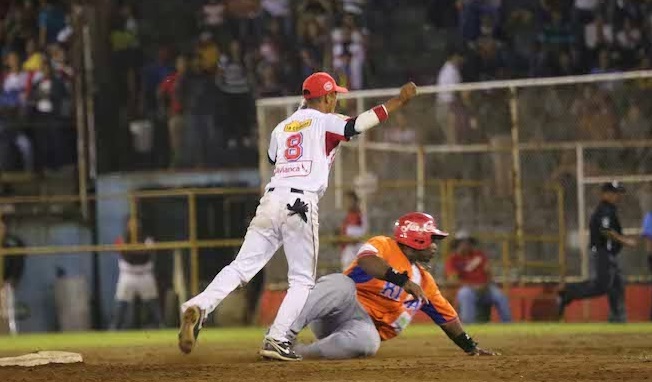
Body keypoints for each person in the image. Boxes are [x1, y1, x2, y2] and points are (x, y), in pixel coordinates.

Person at [178, 72, 418, 361]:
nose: (336, 100)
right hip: (300, 202)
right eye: (335, 96)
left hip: (270, 199)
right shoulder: (326, 120)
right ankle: (277, 339)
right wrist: (398, 101)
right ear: (328, 97)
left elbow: (273, 158)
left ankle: (199, 305)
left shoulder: (281, 128)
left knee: (241, 266)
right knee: (302, 281)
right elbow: (359, 123)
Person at [286, 212, 498, 359]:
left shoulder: (425, 282)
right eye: (432, 238)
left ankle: (301, 353)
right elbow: (366, 260)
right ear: (417, 239)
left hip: (361, 331)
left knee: (370, 344)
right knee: (340, 283)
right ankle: (283, 335)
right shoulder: (385, 245)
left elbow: (448, 319)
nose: (435, 246)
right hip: (340, 310)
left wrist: (470, 346)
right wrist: (403, 281)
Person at [558, 182, 638, 322]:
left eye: (618, 193)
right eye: (614, 193)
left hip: (609, 253)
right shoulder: (605, 210)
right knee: (601, 286)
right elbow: (605, 230)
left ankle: (618, 318)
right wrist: (625, 241)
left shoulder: (610, 209)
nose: (617, 196)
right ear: (605, 194)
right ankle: (568, 291)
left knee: (617, 286)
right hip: (603, 252)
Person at [445, 231, 512, 323]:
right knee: (465, 294)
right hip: (467, 289)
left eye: (468, 242)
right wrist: (472, 286)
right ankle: (468, 325)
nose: (466, 245)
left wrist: (485, 285)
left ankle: (507, 324)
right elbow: (454, 280)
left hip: (485, 288)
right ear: (457, 244)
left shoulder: (479, 255)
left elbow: (489, 273)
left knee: (500, 296)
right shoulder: (452, 260)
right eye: (463, 242)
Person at [111, 217, 163, 330]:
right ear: (127, 225)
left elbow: (147, 253)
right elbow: (125, 254)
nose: (134, 225)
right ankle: (114, 329)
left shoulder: (146, 238)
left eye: (136, 223)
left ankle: (162, 326)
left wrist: (135, 250)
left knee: (152, 303)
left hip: (145, 274)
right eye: (131, 223)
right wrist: (137, 250)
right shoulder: (122, 238)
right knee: (121, 303)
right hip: (127, 274)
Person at [0, 215, 25, 335]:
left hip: (5, 284)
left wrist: (11, 279)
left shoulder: (11, 244)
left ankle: (9, 336)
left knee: (7, 313)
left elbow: (17, 263)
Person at [339, 191, 367, 270]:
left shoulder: (360, 216)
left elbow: (362, 232)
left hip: (356, 249)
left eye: (350, 201)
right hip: (347, 249)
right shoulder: (347, 216)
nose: (348, 204)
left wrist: (352, 239)